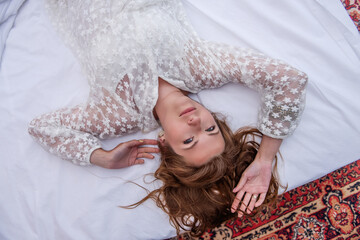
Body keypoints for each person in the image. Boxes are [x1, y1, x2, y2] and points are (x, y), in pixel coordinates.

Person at [28, 0, 308, 236]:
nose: (196, 123)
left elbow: (43, 128)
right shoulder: (203, 68)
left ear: (163, 142)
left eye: (189, 140)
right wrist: (265, 158)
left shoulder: (118, 115)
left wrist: (100, 156)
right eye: (211, 128)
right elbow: (289, 80)